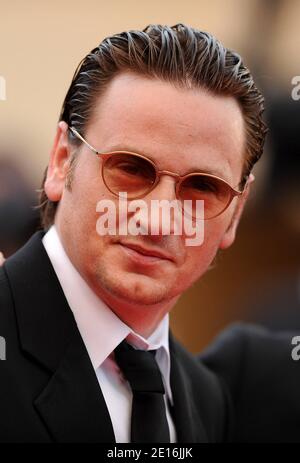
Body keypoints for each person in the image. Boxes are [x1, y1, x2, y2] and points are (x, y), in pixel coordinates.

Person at [0, 24, 267, 443]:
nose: (158, 219)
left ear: (235, 214)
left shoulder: (207, 398)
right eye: (131, 168)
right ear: (61, 161)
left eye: (202, 187)